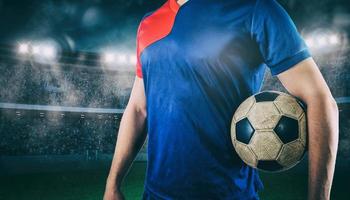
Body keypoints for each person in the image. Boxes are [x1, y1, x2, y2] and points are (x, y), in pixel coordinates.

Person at [104, 0, 338, 199]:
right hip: (156, 193)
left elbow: (320, 99)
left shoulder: (256, 8)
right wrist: (112, 184)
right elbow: (138, 109)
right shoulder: (148, 23)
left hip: (229, 192)